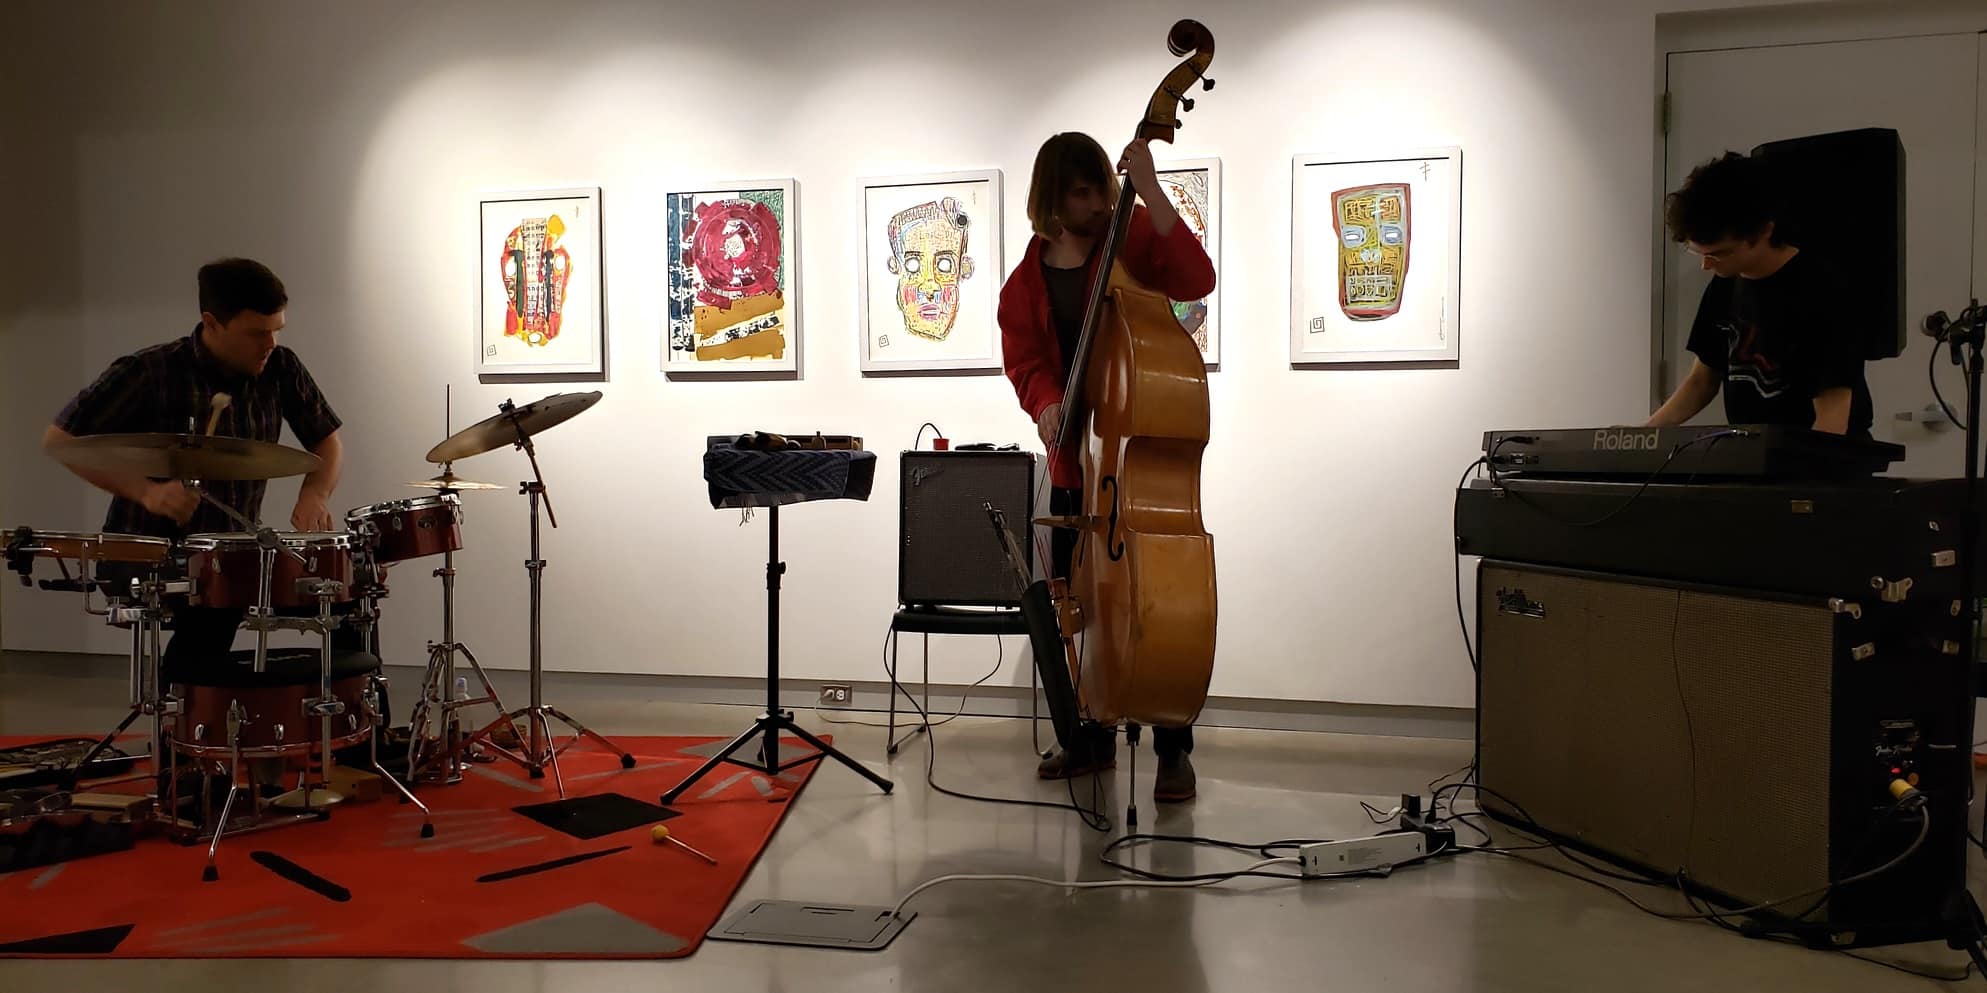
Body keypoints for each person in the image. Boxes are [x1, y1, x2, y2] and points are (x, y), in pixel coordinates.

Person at [997, 132, 1217, 803]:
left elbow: (1195, 277)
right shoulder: (1023, 281)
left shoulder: (1128, 247)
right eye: (1082, 190)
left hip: (1129, 455)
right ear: (1052, 198)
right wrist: (1044, 405)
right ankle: (1088, 733)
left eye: (1100, 188)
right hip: (1075, 460)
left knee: (1154, 601)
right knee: (1076, 606)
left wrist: (1148, 187)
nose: (1096, 202)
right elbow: (1026, 361)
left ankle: (1172, 743)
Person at [44, 257, 349, 679]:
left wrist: (315, 493)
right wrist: (146, 491)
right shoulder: (148, 371)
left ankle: (358, 730)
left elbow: (326, 441)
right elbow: (61, 442)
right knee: (211, 606)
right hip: (148, 554)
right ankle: (189, 722)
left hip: (233, 552)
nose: (270, 344)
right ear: (212, 321)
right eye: (257, 333)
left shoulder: (281, 368)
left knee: (345, 591)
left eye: (276, 330)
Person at [1646, 151, 1873, 438]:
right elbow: (1702, 382)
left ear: (1764, 230)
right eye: (1698, 254)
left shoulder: (1824, 289)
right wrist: (1640, 437)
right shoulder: (1724, 282)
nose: (1706, 265)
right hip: (1754, 453)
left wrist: (1808, 476)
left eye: (1719, 253)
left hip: (1823, 462)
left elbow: (1832, 413)